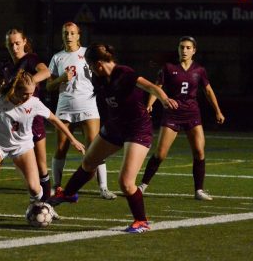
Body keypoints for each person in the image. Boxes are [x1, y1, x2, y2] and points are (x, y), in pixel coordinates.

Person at [47, 44, 179, 233]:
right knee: (89, 162)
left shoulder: (123, 73)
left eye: (91, 65)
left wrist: (165, 99)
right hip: (115, 126)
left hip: (137, 129)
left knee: (126, 182)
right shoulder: (99, 79)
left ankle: (141, 221)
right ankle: (68, 194)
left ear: (99, 63)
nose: (90, 69)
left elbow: (149, 86)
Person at [0, 71, 86, 219]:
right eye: (25, 93)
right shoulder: (1, 100)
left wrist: (72, 139)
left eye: (31, 93)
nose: (29, 97)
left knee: (34, 188)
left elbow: (55, 120)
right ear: (16, 90)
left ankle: (41, 206)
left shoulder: (34, 103)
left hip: (23, 146)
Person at [0, 28, 52, 216]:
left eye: (17, 43)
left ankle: (46, 206)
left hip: (31, 119)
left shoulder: (30, 60)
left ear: (24, 42)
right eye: (10, 44)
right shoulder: (6, 66)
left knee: (41, 168)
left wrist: (29, 82)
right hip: (9, 122)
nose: (14, 47)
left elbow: (45, 72)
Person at [138, 36, 225, 200]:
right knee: (161, 153)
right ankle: (142, 186)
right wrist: (150, 104)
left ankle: (199, 190)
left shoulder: (199, 70)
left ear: (194, 50)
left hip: (192, 114)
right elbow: (157, 88)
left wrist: (218, 111)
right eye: (181, 47)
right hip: (172, 113)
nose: (184, 50)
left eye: (187, 47)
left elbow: (208, 91)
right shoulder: (168, 68)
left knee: (199, 152)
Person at [46, 22, 116, 200]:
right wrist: (61, 78)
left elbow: (104, 74)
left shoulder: (88, 54)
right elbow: (48, 86)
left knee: (96, 147)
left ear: (78, 35)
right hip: (65, 106)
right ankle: (57, 185)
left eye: (72, 33)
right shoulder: (57, 58)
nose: (68, 36)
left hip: (88, 105)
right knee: (61, 147)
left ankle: (103, 188)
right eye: (65, 33)